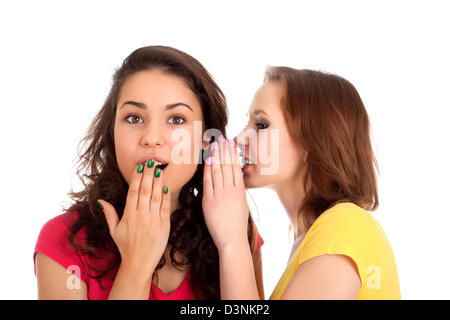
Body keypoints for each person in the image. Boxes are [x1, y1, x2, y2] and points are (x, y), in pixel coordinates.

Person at [34, 46, 264, 300]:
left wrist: (232, 244)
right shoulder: (63, 240)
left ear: (205, 140)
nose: (152, 138)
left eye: (176, 119)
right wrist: (136, 266)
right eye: (134, 118)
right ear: (113, 132)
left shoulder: (236, 225)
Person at [202, 67, 401, 299]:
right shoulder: (313, 236)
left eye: (261, 125)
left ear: (312, 140)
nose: (239, 139)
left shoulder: (344, 226)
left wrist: (232, 240)